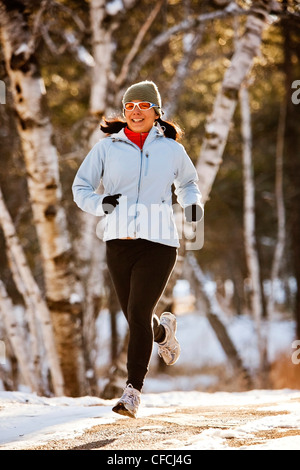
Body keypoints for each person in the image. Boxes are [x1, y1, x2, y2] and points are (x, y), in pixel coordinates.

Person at [72, 80, 203, 418]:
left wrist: (191, 206)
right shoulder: (107, 148)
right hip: (118, 242)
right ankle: (163, 332)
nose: (135, 111)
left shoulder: (171, 149)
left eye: (143, 105)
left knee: (139, 310)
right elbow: (80, 186)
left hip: (159, 242)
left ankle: (132, 392)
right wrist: (101, 203)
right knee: (135, 316)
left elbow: (188, 183)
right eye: (129, 106)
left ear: (156, 111)